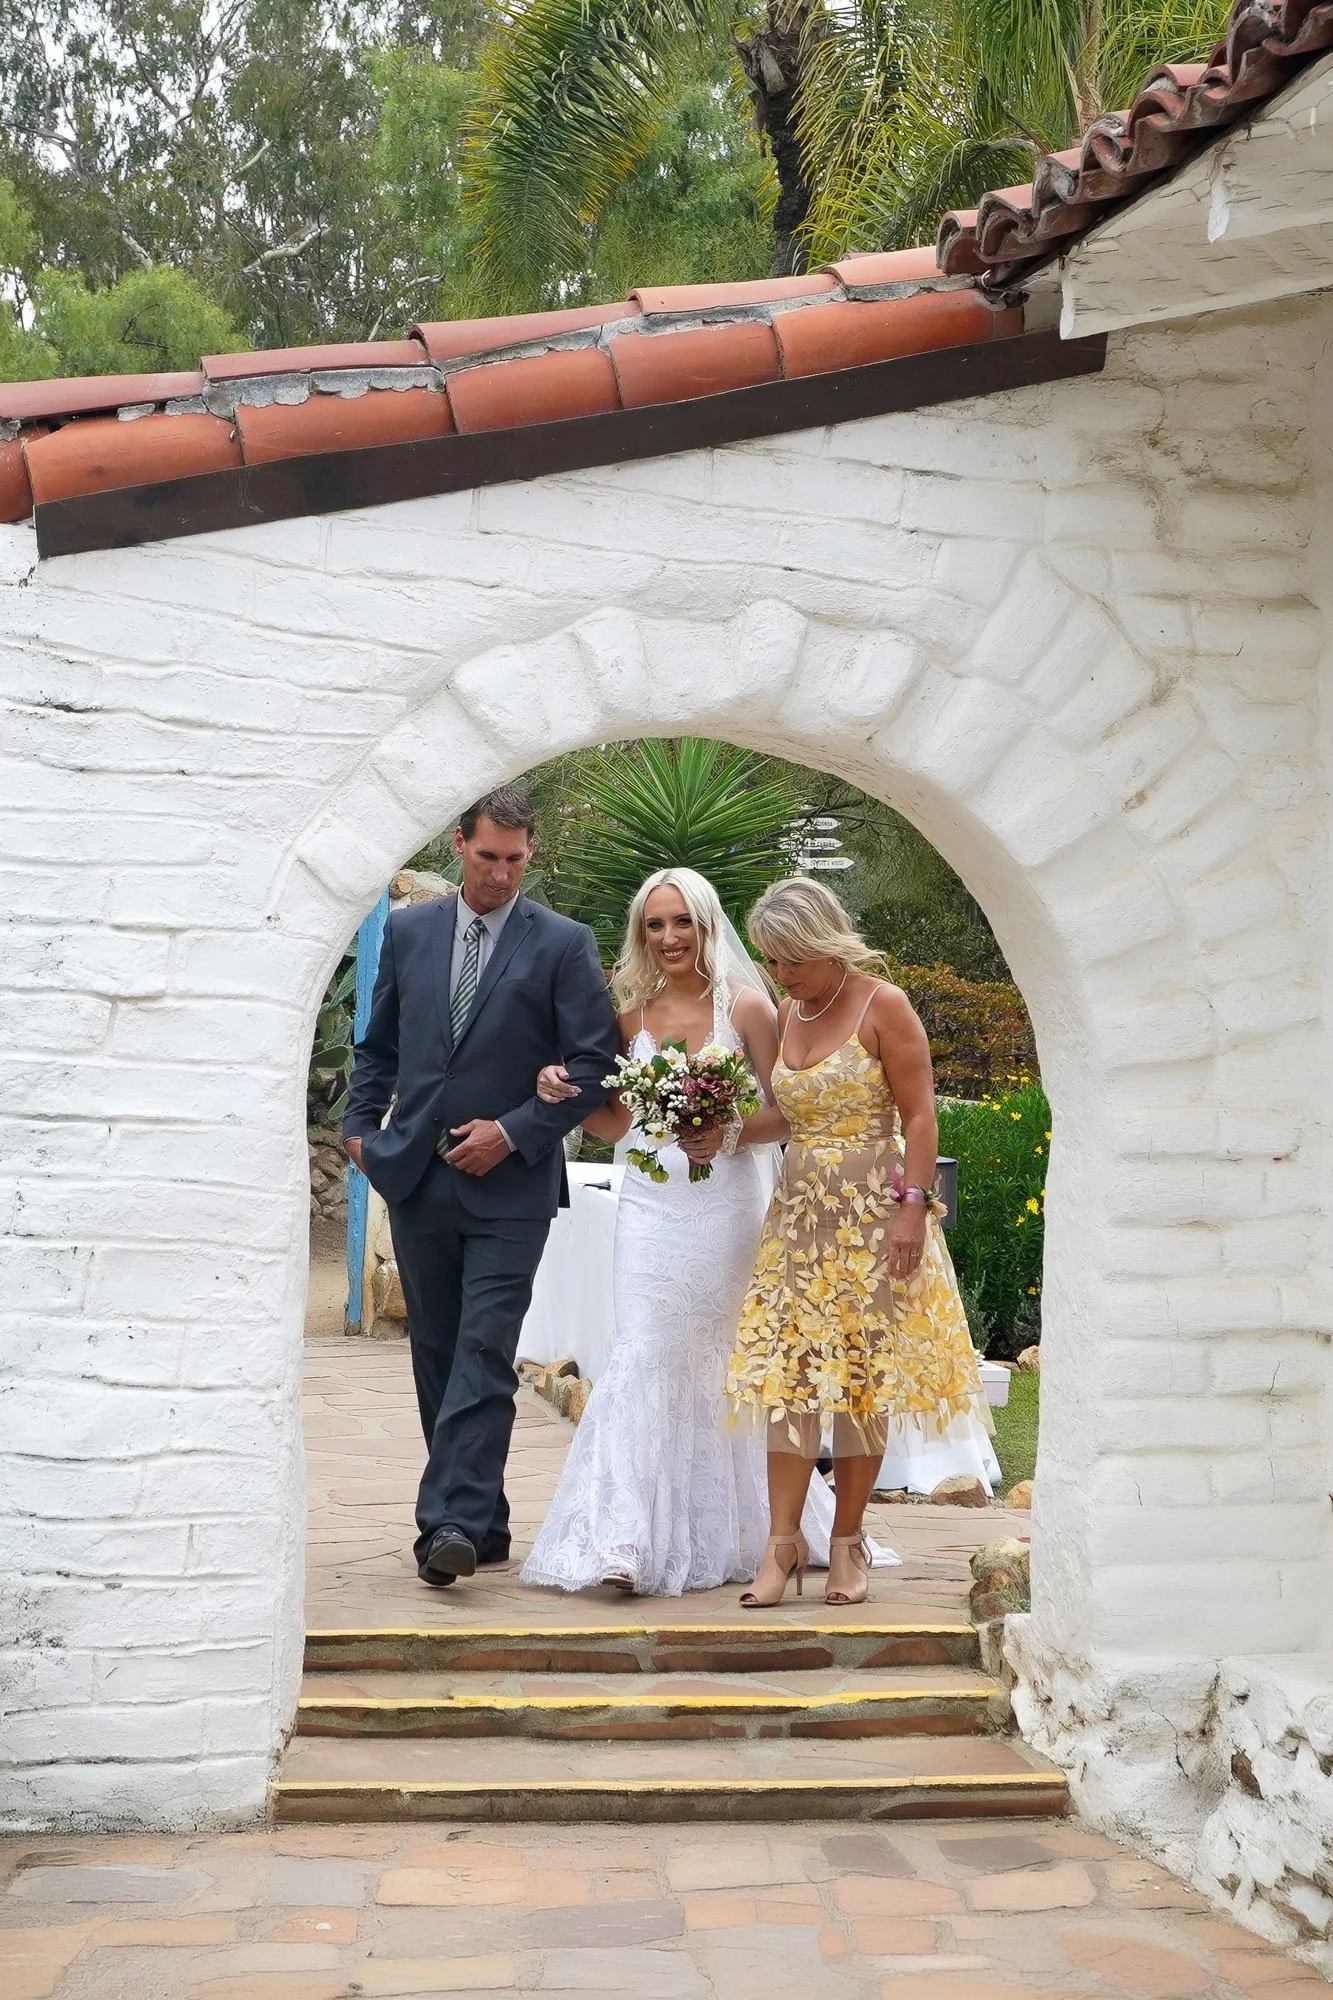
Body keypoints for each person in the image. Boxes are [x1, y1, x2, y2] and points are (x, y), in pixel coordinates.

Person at [519, 868, 840, 1597]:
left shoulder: (752, 1008)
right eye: (653, 925)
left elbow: (790, 1114)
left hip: (725, 1208)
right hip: (648, 1206)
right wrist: (565, 1096)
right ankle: (624, 1541)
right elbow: (615, 1122)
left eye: (680, 923)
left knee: (717, 1359)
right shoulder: (629, 1016)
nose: (667, 938)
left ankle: (738, 1529)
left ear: (705, 925)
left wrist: (725, 1133)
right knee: (642, 1351)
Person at [343, 784, 620, 1589]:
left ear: (530, 854)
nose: (503, 874)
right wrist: (361, 1132)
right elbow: (380, 1044)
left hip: (513, 1187)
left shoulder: (563, 943)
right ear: (460, 847)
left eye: (517, 859)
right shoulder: (409, 930)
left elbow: (594, 1061)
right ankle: (484, 1520)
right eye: (489, 857)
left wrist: (516, 1130)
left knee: (483, 1347)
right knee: (435, 1351)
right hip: (417, 1173)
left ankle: (449, 1525)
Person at [721, 876, 988, 1608]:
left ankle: (846, 1542)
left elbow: (922, 1118)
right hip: (800, 1216)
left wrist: (911, 1209)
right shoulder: (787, 1008)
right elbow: (790, 1118)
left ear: (822, 942)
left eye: (790, 958)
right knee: (790, 1380)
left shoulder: (883, 1004)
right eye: (773, 961)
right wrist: (724, 1133)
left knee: (861, 1383)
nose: (782, 974)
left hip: (874, 1213)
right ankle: (781, 1547)